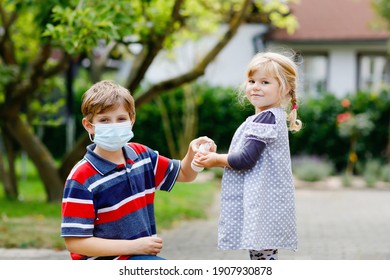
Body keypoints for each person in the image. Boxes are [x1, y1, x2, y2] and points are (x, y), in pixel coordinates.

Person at [61, 80, 215, 260]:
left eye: (121, 119)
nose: (114, 126)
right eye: (104, 120)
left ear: (131, 120)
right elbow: (75, 242)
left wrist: (194, 154)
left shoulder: (141, 155)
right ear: (89, 125)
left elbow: (184, 173)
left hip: (139, 257)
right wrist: (134, 246)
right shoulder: (81, 177)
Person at [193, 51, 302, 260]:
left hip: (263, 202)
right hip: (267, 201)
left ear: (285, 88)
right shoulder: (269, 116)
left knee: (262, 259)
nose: (255, 87)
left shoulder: (266, 118)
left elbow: (245, 160)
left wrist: (216, 160)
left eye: (265, 82)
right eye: (252, 81)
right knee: (264, 256)